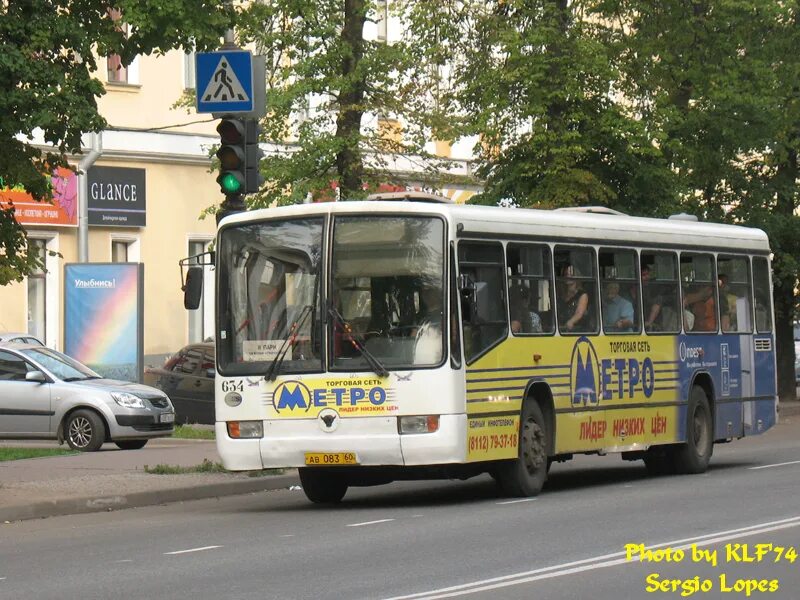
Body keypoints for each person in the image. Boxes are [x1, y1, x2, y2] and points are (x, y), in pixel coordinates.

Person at [558, 266, 590, 332]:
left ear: (576, 277)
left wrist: (571, 321)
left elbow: (579, 313)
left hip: (578, 331)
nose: (568, 276)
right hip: (561, 329)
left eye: (571, 275)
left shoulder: (582, 295)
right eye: (566, 274)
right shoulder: (562, 295)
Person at [639, 265, 663, 331]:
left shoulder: (652, 289)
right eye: (643, 275)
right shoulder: (634, 289)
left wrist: (649, 322)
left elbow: (658, 300)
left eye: (648, 274)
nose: (647, 277)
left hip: (651, 325)